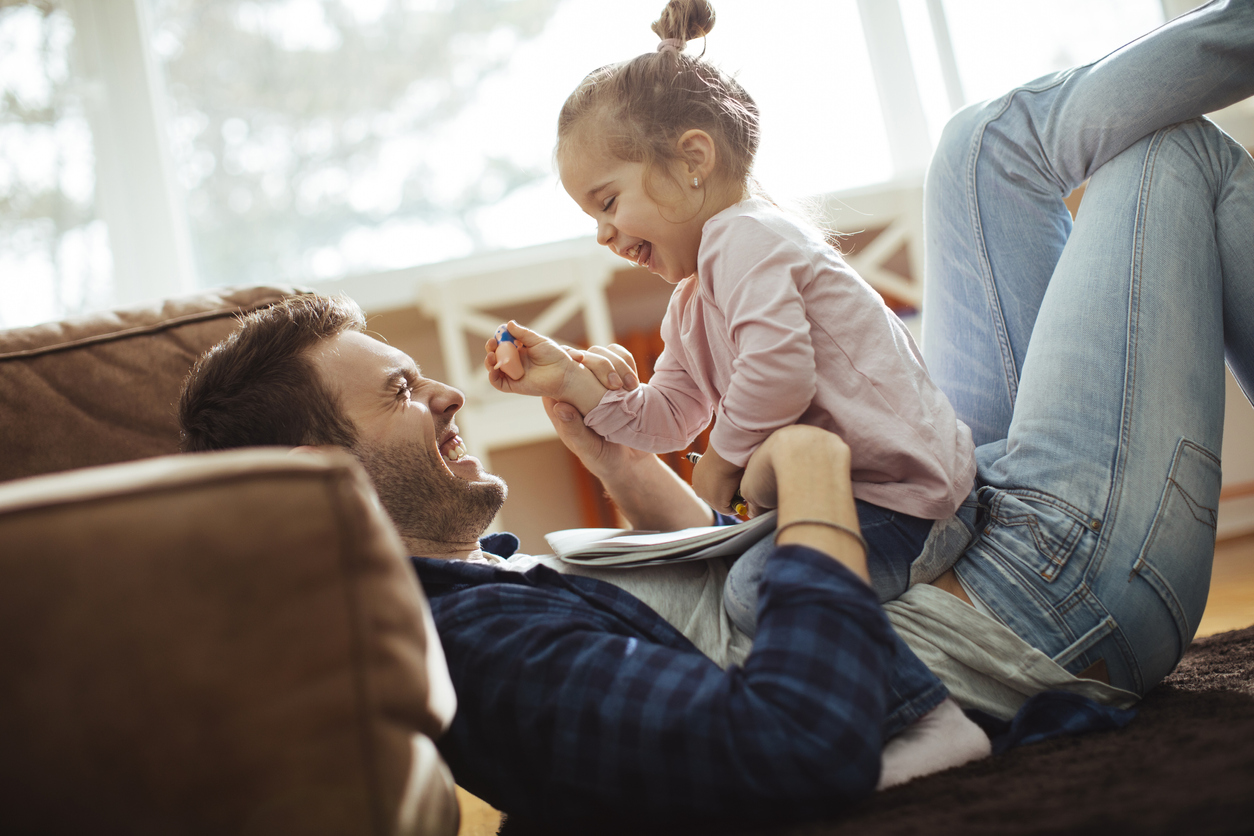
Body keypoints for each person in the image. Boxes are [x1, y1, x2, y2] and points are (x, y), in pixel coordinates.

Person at [176, 0, 1254, 828]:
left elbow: (712, 580)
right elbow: (784, 734)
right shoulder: (471, 639)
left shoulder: (486, 574)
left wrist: (608, 432)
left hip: (943, 511)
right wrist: (809, 477)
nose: (449, 390)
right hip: (1025, 597)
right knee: (1167, 156)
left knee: (979, 143)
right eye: (404, 392)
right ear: (324, 468)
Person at [486, 0, 976, 605]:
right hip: (858, 497)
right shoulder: (690, 305)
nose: (603, 235)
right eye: (593, 216)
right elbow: (665, 418)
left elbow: (779, 372)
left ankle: (923, 701)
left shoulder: (747, 235)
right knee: (740, 583)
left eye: (608, 202)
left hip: (911, 499)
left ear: (693, 160)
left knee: (751, 594)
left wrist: (720, 461)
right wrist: (575, 382)